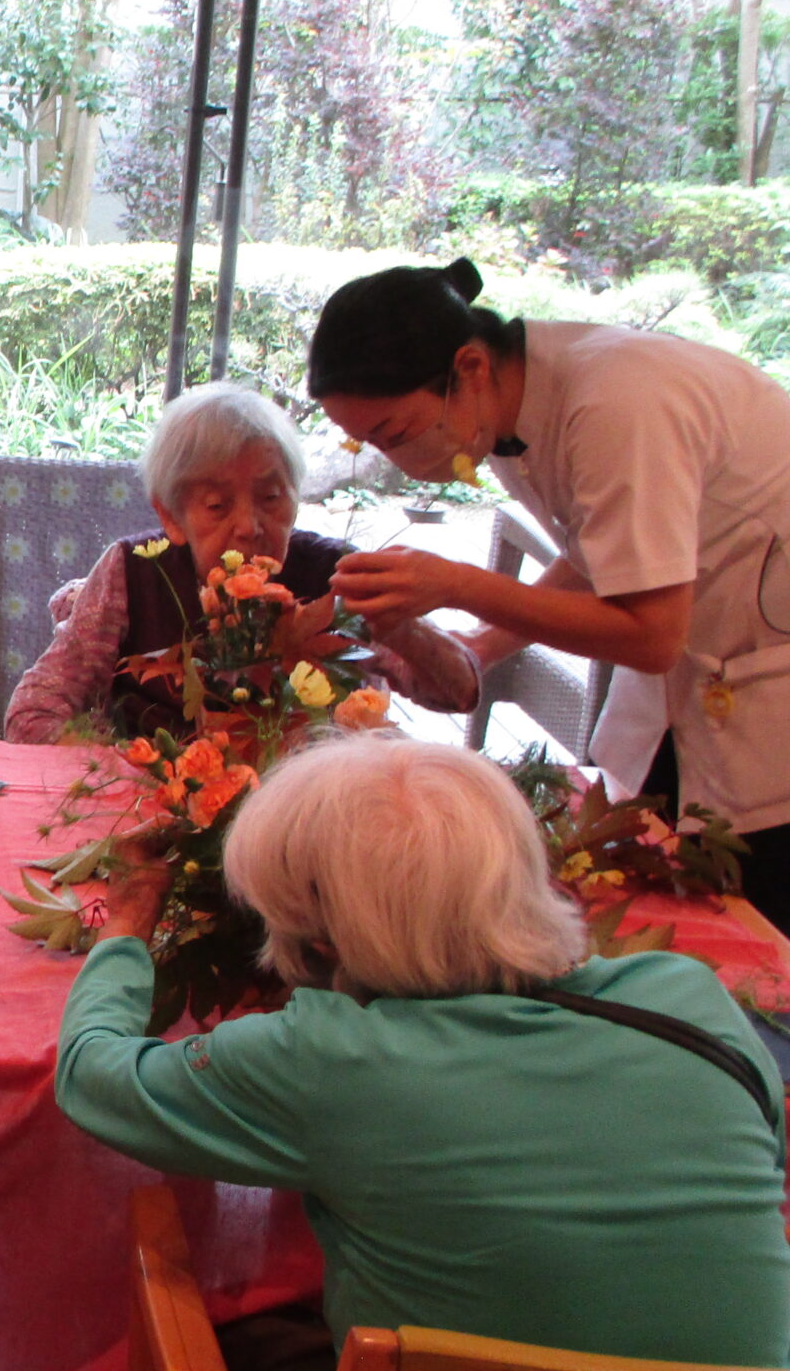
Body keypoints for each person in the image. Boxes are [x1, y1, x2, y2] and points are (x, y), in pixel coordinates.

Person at [59, 733, 790, 1371]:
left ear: (318, 941)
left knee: (230, 1329)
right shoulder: (689, 1003)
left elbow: (93, 1077)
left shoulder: (330, 1060)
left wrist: (122, 929)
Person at [309, 257, 790, 928]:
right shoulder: (503, 416)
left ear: (469, 367)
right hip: (693, 692)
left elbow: (651, 635)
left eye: (394, 433)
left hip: (766, 695)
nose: (393, 458)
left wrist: (455, 585)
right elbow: (601, 549)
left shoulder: (614, 403)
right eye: (368, 443)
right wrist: (482, 646)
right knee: (649, 905)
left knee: (757, 946)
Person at [6, 384, 478, 743]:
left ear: (296, 498)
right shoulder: (133, 572)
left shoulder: (339, 576)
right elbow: (34, 710)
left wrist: (396, 626)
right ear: (171, 516)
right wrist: (110, 773)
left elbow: (457, 692)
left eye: (271, 497)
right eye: (216, 506)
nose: (250, 526)